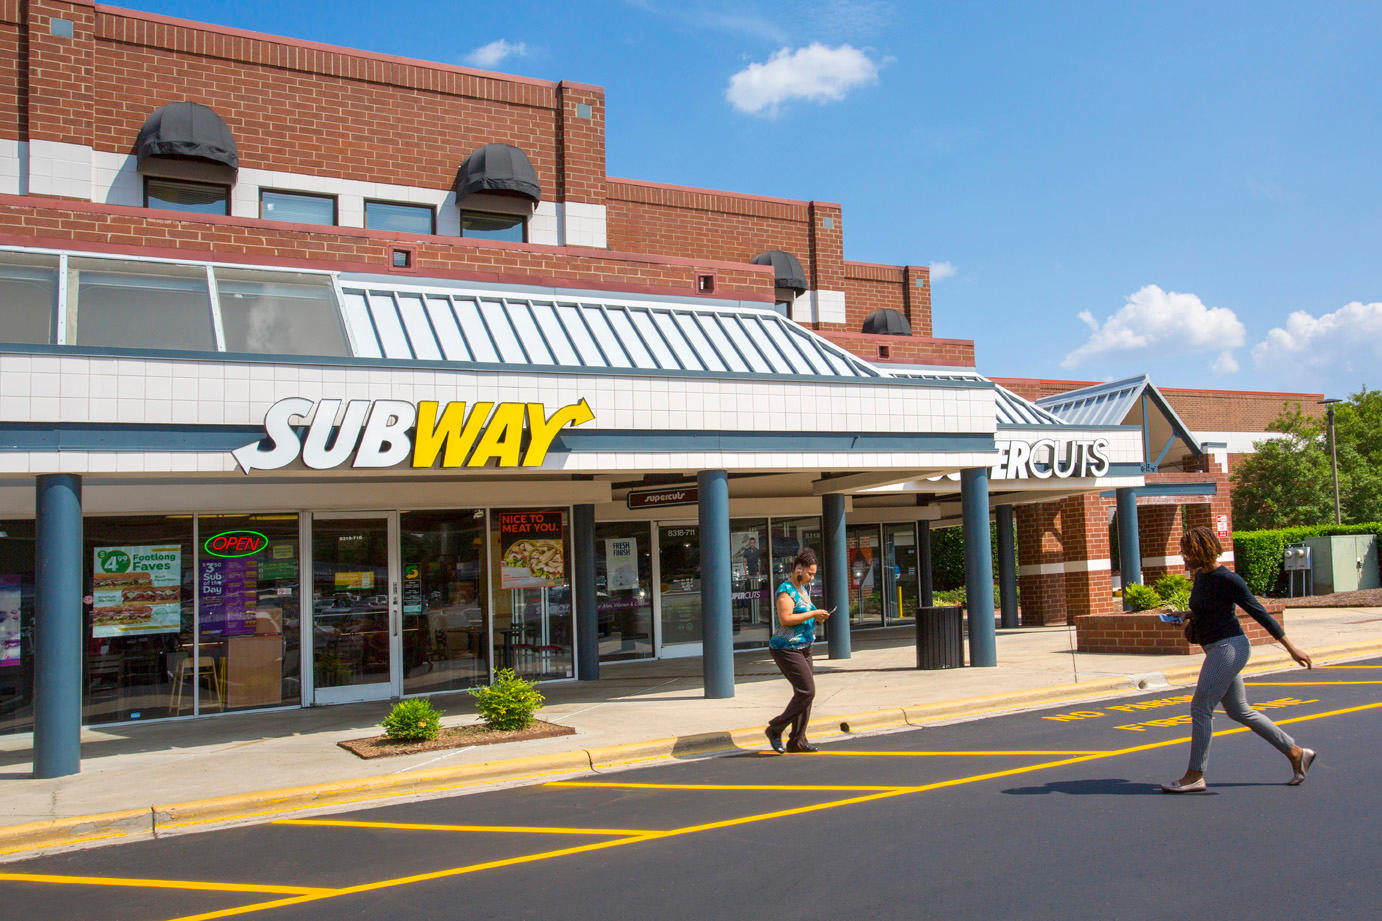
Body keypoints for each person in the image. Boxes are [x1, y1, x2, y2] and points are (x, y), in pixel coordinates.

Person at [1161, 526, 1316, 793]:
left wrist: (1291, 648)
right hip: (1216, 648)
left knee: (1200, 707)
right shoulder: (1201, 577)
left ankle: (1195, 774)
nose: (1183, 556)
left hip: (1229, 648)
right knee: (1238, 710)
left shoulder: (1229, 579)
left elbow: (1260, 613)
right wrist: (1186, 615)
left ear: (1201, 550)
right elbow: (1210, 610)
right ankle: (1296, 752)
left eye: (1187, 551)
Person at [765, 548, 832, 753]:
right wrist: (812, 612)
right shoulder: (786, 590)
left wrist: (817, 616)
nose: (812, 577)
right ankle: (775, 728)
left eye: (814, 574)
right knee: (806, 690)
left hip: (805, 647)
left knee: (805, 694)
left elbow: (804, 615)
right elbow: (785, 619)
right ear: (799, 569)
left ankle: (797, 741)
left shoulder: (803, 589)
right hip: (786, 648)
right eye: (810, 573)